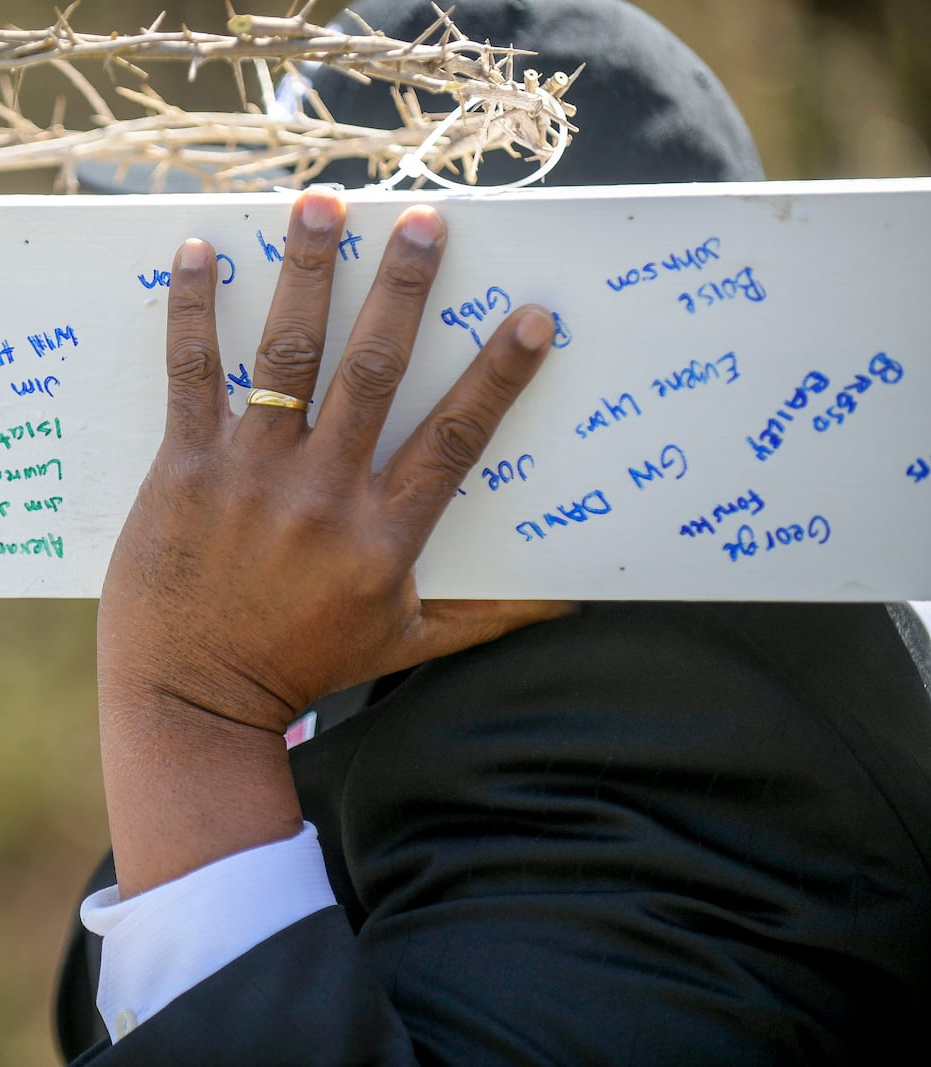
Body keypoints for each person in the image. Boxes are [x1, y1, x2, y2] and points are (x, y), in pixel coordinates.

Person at [53, 1, 931, 1063]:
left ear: (437, 353)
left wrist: (190, 717)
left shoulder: (655, 743)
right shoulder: (408, 622)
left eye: (271, 304)